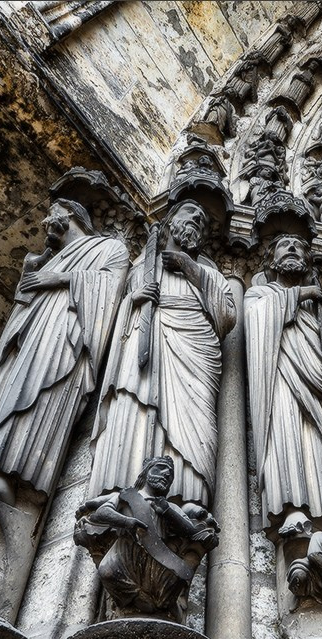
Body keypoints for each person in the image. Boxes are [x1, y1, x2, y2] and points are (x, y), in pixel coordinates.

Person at [0, 199, 129, 504]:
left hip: (63, 331)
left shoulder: (109, 248)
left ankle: (7, 473)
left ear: (71, 215)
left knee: (37, 389)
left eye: (51, 215)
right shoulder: (48, 259)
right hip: (28, 332)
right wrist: (33, 274)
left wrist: (57, 278)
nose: (45, 223)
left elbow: (110, 288)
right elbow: (24, 301)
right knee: (4, 389)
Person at [89, 200, 235, 510]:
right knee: (133, 399)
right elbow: (112, 316)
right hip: (146, 343)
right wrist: (135, 299)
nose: (196, 218)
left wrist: (192, 270)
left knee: (196, 423)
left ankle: (187, 498)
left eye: (202, 220)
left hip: (195, 356)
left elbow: (228, 317)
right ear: (169, 221)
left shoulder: (212, 275)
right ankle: (121, 487)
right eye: (189, 211)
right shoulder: (142, 265)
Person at [246, 235, 322, 538]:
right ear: (270, 261)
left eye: (299, 244)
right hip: (280, 376)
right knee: (287, 432)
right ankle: (293, 506)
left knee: (320, 441)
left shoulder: (318, 309)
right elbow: (255, 321)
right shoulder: (258, 293)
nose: (293, 247)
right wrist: (302, 293)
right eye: (284, 244)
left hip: (319, 381)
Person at [74, 456, 218, 621]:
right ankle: (137, 598)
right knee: (106, 571)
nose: (166, 475)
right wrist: (127, 521)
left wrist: (167, 512)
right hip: (127, 551)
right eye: (160, 468)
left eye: (170, 475)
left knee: (175, 580)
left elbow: (191, 531)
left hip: (161, 559)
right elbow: (101, 513)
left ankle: (159, 603)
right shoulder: (127, 496)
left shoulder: (170, 507)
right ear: (146, 472)